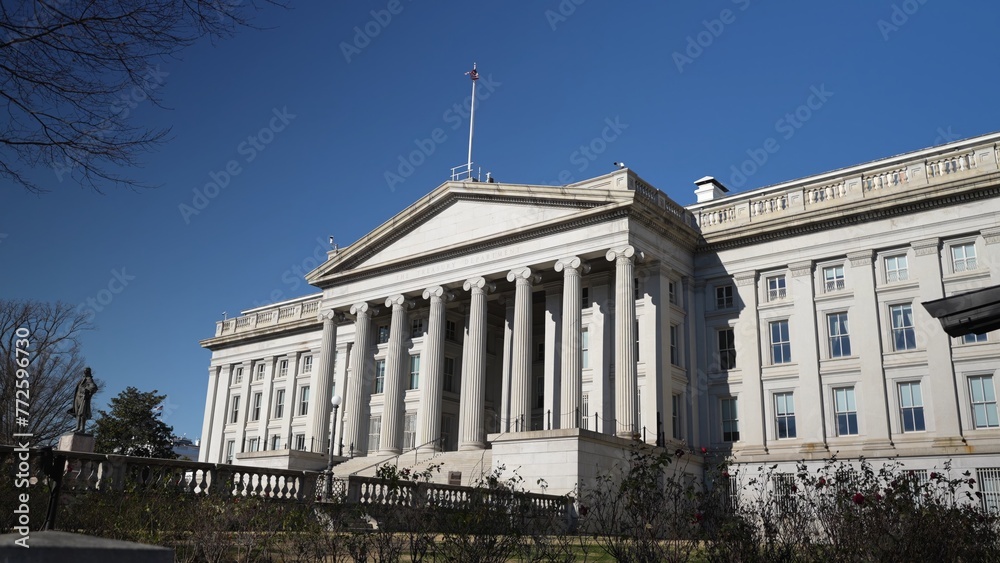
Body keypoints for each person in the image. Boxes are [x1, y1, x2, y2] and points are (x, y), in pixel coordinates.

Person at [68, 367, 98, 434]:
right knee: (78, 413)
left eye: (86, 371)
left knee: (82, 413)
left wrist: (87, 391)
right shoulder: (82, 380)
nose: (84, 372)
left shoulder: (89, 379)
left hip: (83, 398)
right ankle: (77, 427)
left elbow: (94, 387)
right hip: (78, 398)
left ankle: (82, 428)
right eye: (84, 371)